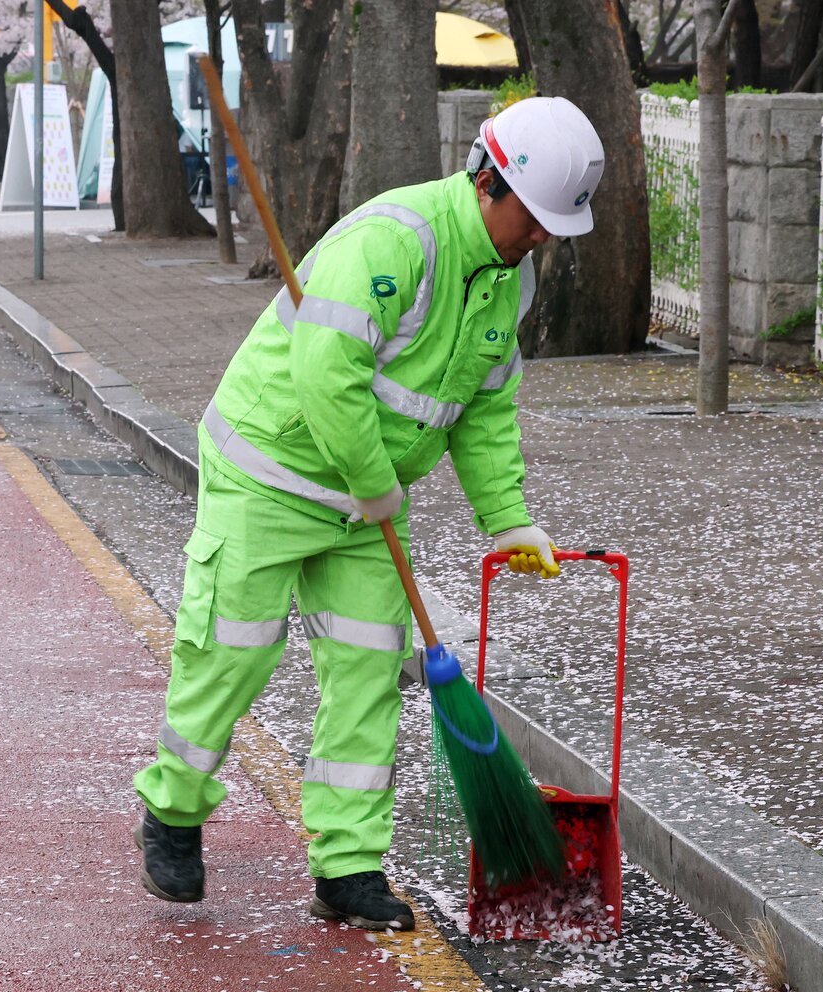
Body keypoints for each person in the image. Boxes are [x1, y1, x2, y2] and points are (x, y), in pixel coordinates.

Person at [132, 96, 606, 931]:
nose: (541, 237)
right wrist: (374, 479)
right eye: (533, 217)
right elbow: (327, 373)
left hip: (366, 502)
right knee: (233, 652)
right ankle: (172, 812)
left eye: (553, 225)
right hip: (269, 473)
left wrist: (508, 518)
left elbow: (485, 408)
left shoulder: (512, 282)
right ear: (487, 182)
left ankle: (348, 866)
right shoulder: (395, 241)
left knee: (367, 672)